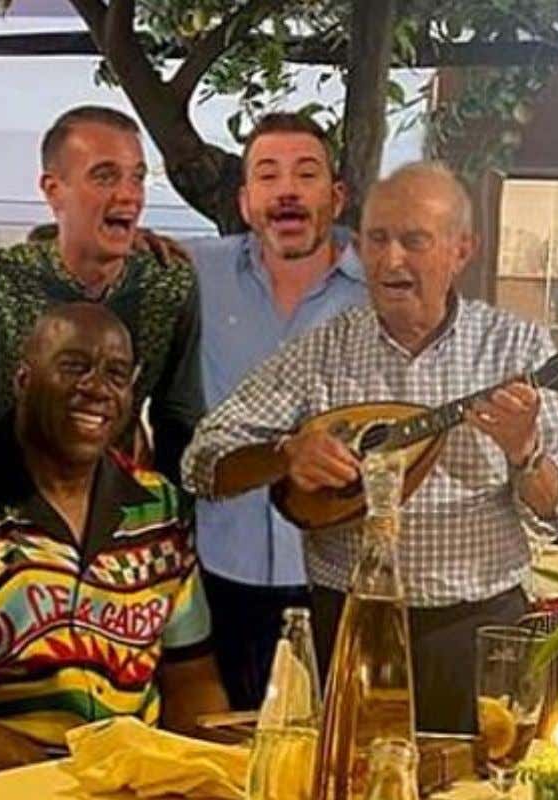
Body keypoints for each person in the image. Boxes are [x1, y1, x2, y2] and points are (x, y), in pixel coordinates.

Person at [182, 162, 558, 733]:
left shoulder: (517, 348)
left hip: (477, 627)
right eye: (377, 239)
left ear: (462, 250)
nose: (391, 259)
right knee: (348, 775)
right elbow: (202, 460)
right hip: (352, 623)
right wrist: (287, 454)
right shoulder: (321, 351)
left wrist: (526, 453)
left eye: (414, 241)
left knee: (482, 776)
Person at [0, 302, 227, 779]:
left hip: (137, 781)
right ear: (23, 380)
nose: (97, 388)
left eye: (116, 374)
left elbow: (192, 679)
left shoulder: (159, 506)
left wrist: (202, 773)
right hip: (7, 783)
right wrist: (84, 786)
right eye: (74, 367)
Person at [182, 113, 368, 710]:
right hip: (218, 575)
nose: (287, 189)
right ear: (245, 201)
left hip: (339, 577)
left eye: (306, 174)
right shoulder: (194, 272)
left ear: (336, 196)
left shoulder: (382, 292)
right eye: (267, 175)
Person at [0, 105, 204, 485]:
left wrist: (172, 512)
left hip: (115, 504)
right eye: (105, 177)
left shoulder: (169, 286)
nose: (129, 195)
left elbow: (180, 418)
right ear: (53, 190)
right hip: (3, 499)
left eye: (137, 178)